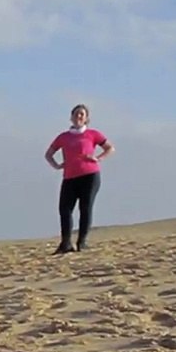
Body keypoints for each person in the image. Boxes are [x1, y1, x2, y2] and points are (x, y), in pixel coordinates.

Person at [44, 104, 115, 254]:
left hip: (90, 176)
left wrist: (98, 158)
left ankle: (81, 243)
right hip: (69, 177)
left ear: (86, 118)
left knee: (85, 208)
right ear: (71, 116)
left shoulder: (93, 134)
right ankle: (65, 243)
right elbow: (48, 154)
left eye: (82, 114)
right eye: (76, 113)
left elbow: (110, 148)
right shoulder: (63, 137)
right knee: (65, 209)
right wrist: (56, 165)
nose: (79, 116)